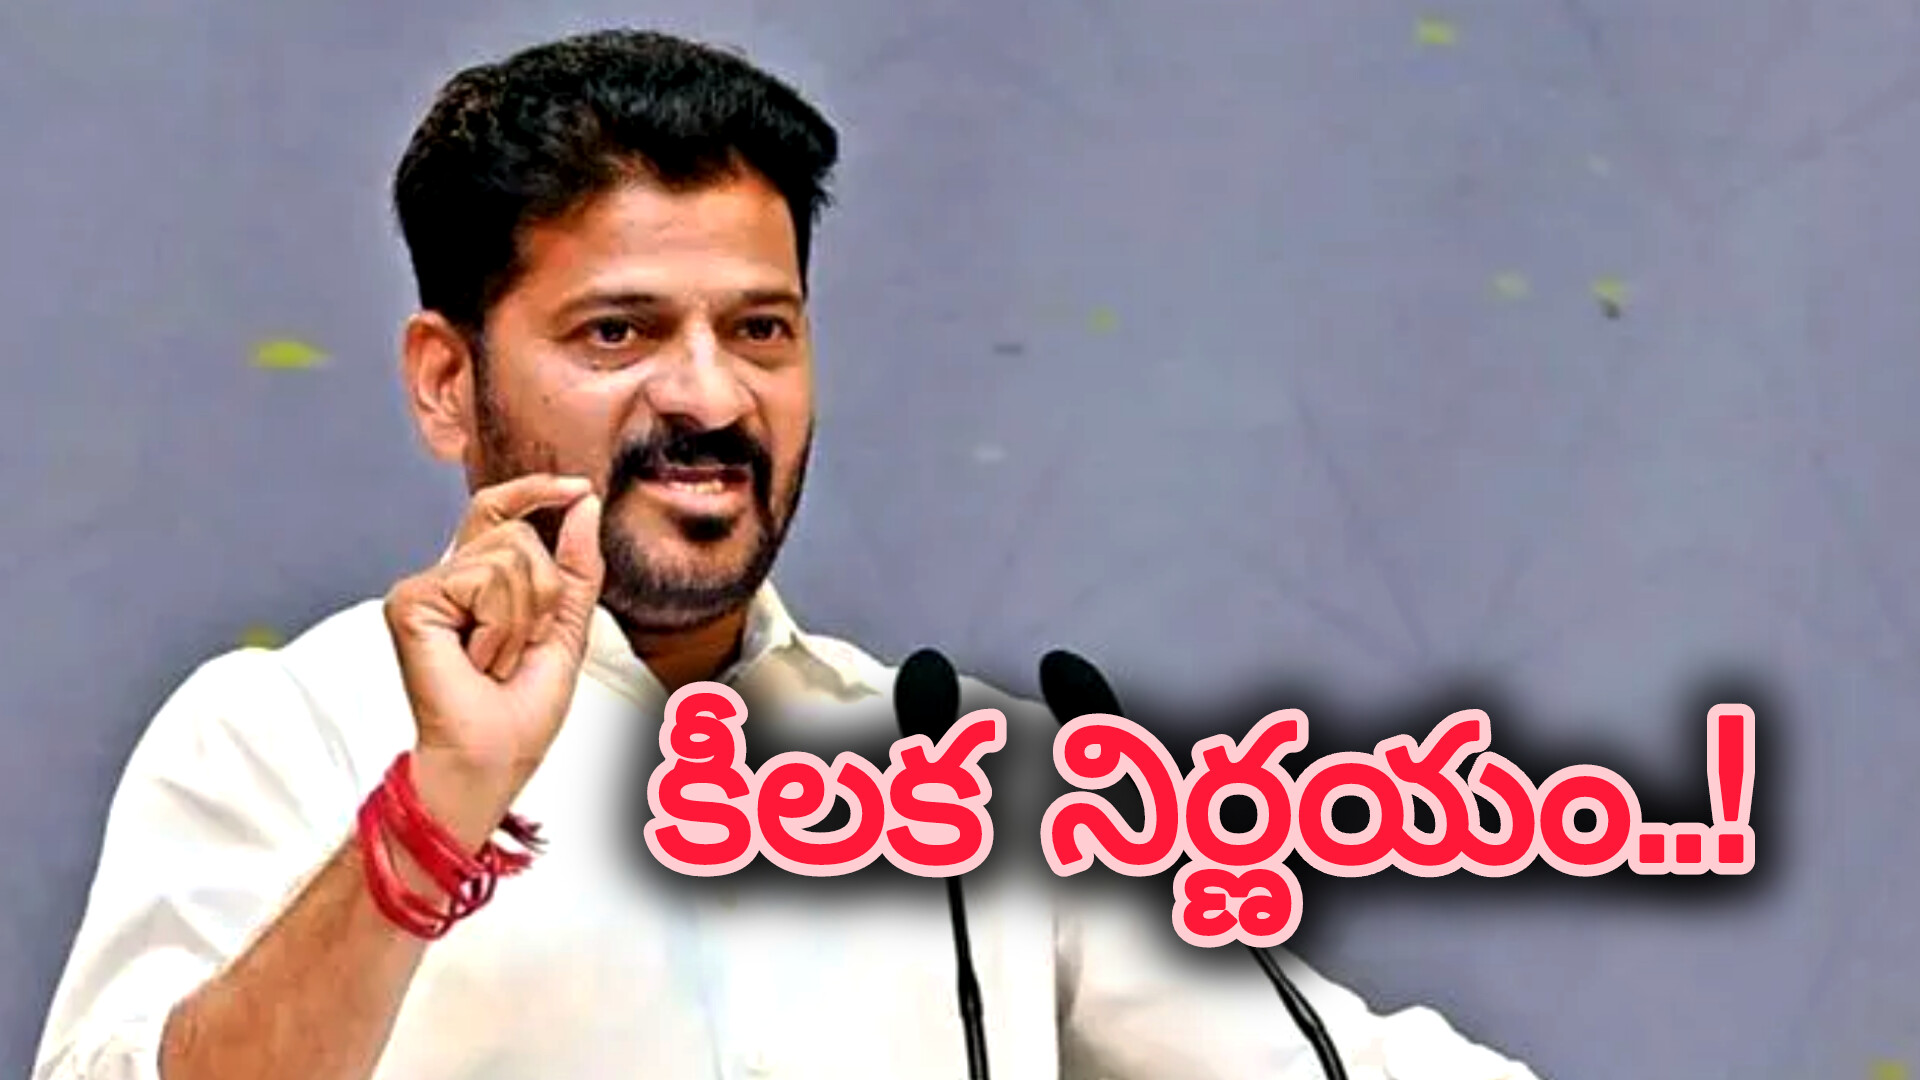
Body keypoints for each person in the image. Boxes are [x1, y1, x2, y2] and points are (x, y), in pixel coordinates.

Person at [32, 29, 1542, 1080]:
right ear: (445, 381)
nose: (709, 397)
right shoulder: (281, 737)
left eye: (760, 329)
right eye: (617, 333)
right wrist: (435, 816)